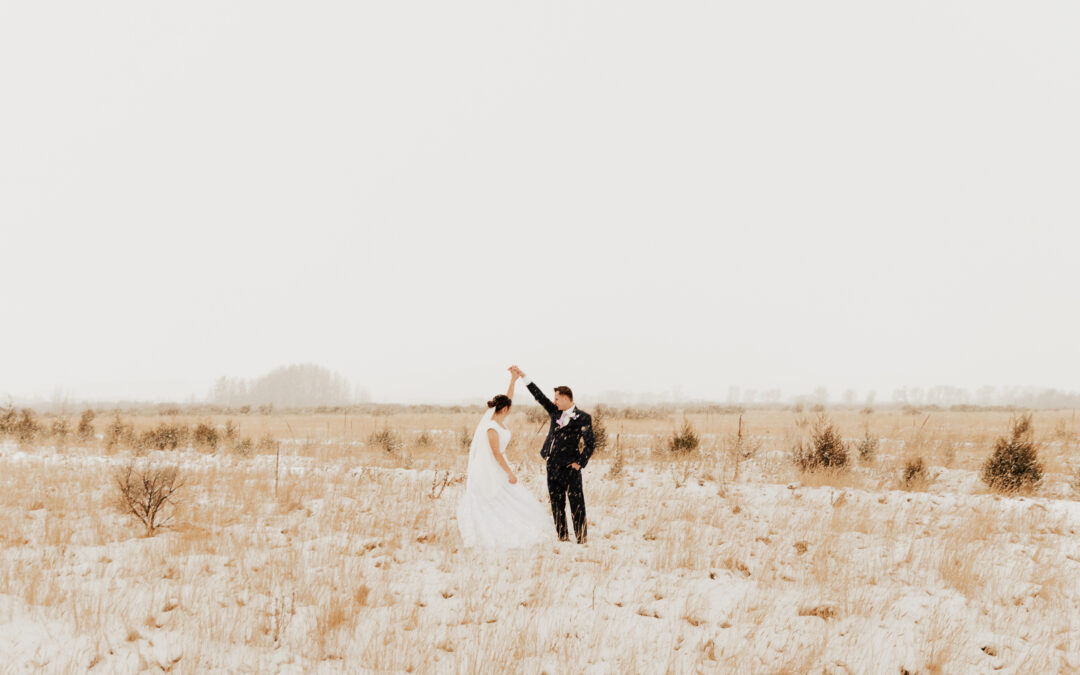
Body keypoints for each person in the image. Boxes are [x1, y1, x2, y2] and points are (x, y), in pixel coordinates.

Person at [456, 369, 551, 549]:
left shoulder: (498, 420)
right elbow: (496, 453)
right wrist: (509, 472)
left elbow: (508, 398)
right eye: (509, 408)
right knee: (497, 495)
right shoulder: (491, 427)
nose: (510, 410)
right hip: (493, 466)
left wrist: (513, 380)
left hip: (500, 463)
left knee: (508, 496)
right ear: (504, 409)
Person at [509, 365, 595, 544]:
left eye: (557, 398)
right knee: (556, 505)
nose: (554, 401)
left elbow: (590, 444)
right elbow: (539, 397)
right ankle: (562, 537)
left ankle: (581, 539)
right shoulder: (555, 412)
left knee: (577, 504)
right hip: (552, 465)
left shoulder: (583, 418)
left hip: (570, 468)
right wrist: (524, 377)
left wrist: (579, 463)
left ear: (565, 398)